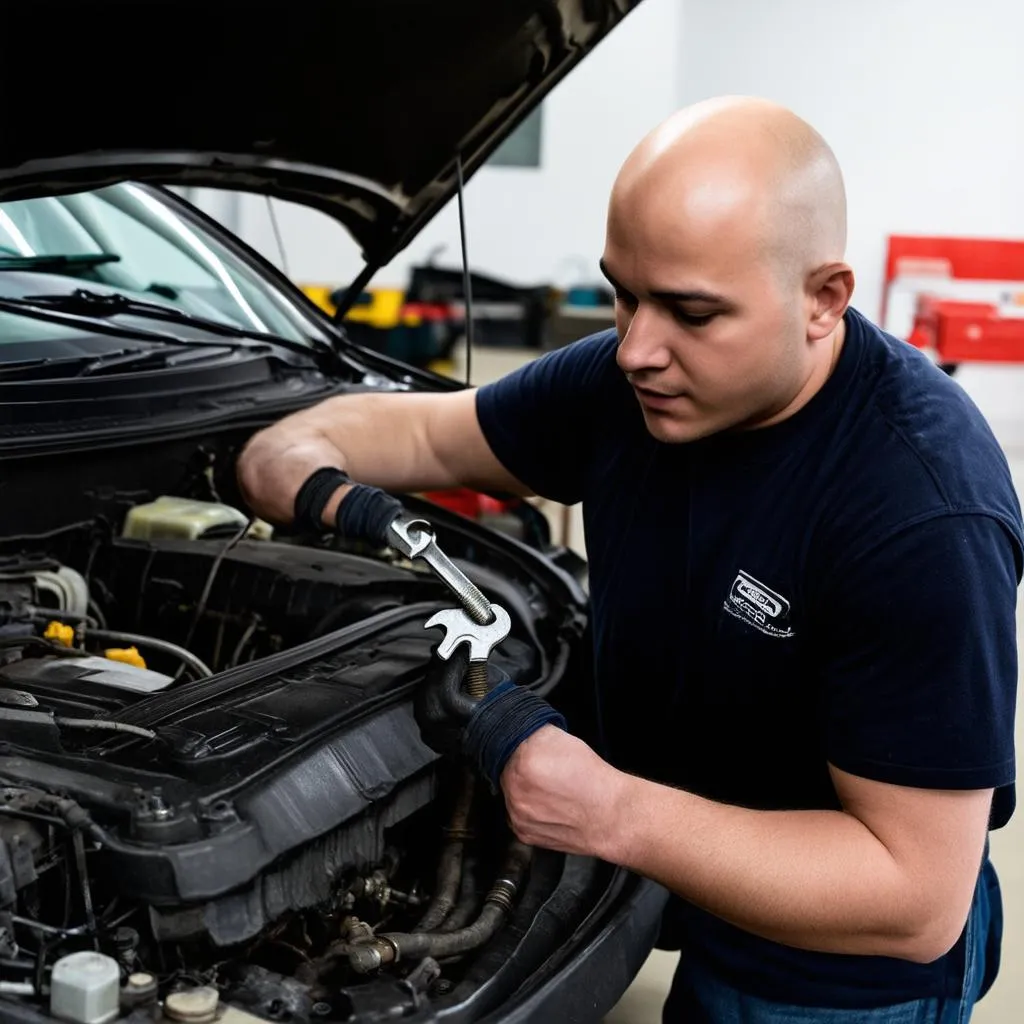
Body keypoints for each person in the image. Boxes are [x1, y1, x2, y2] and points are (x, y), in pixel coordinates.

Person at [236, 96, 1023, 1023]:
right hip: (685, 889)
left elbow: (911, 900)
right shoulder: (629, 385)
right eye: (623, 293)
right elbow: (434, 435)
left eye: (693, 312)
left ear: (824, 299)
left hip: (833, 979)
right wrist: (295, 448)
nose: (639, 348)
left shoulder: (920, 511)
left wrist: (614, 812)